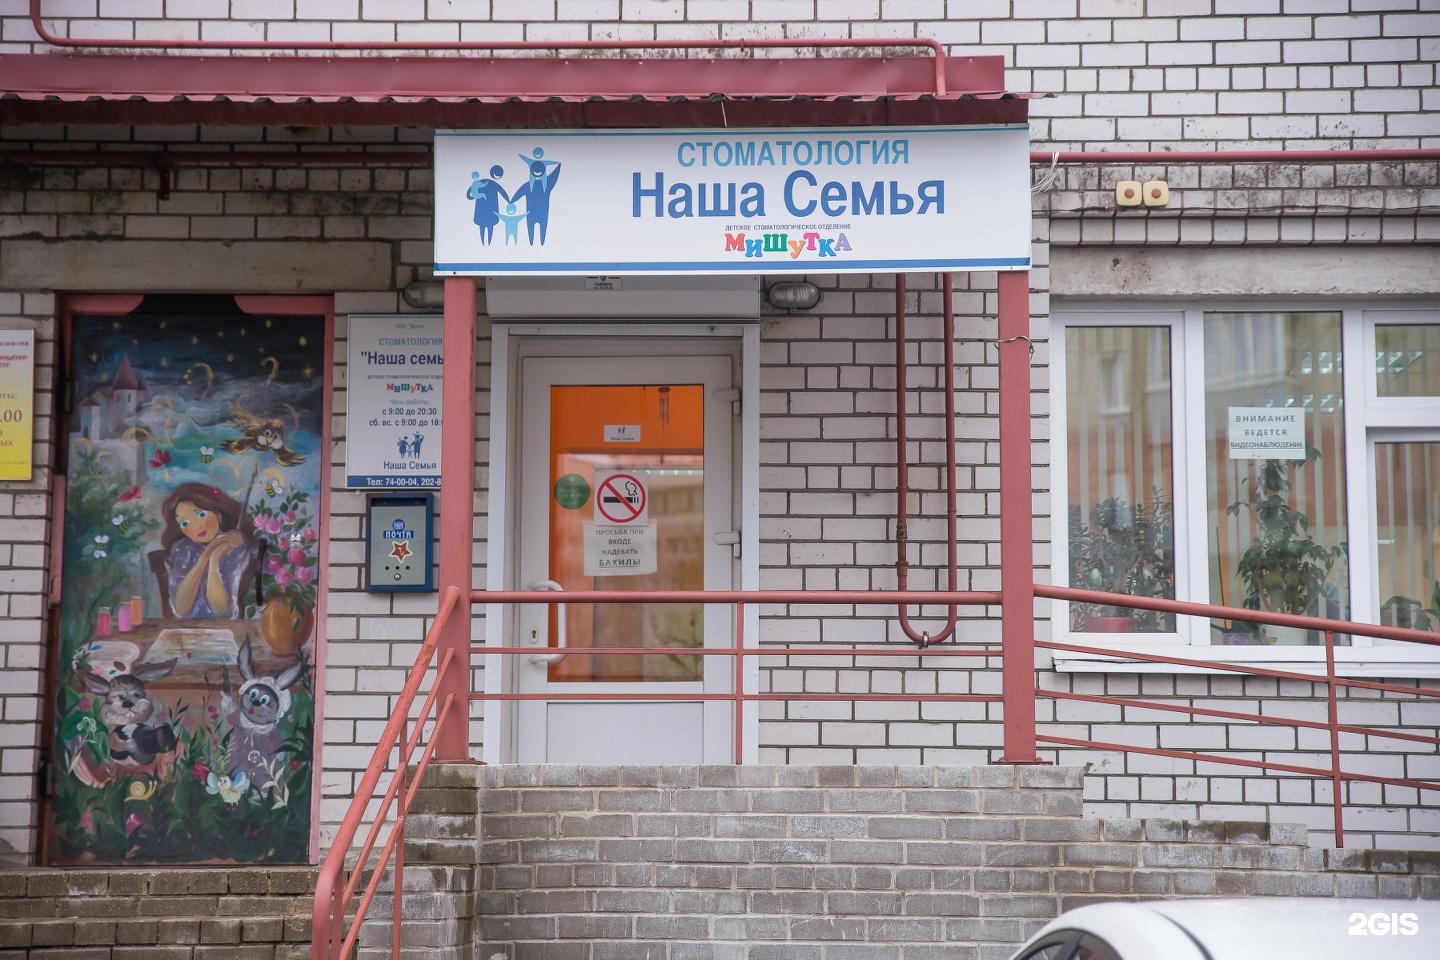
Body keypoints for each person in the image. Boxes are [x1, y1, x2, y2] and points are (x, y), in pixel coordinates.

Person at [160, 483, 253, 619]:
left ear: (218, 515)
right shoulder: (182, 548)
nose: (196, 526)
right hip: (187, 628)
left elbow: (223, 613)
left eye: (201, 514)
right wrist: (205, 556)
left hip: (227, 628)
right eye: (184, 523)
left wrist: (214, 559)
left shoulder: (235, 545)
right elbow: (181, 609)